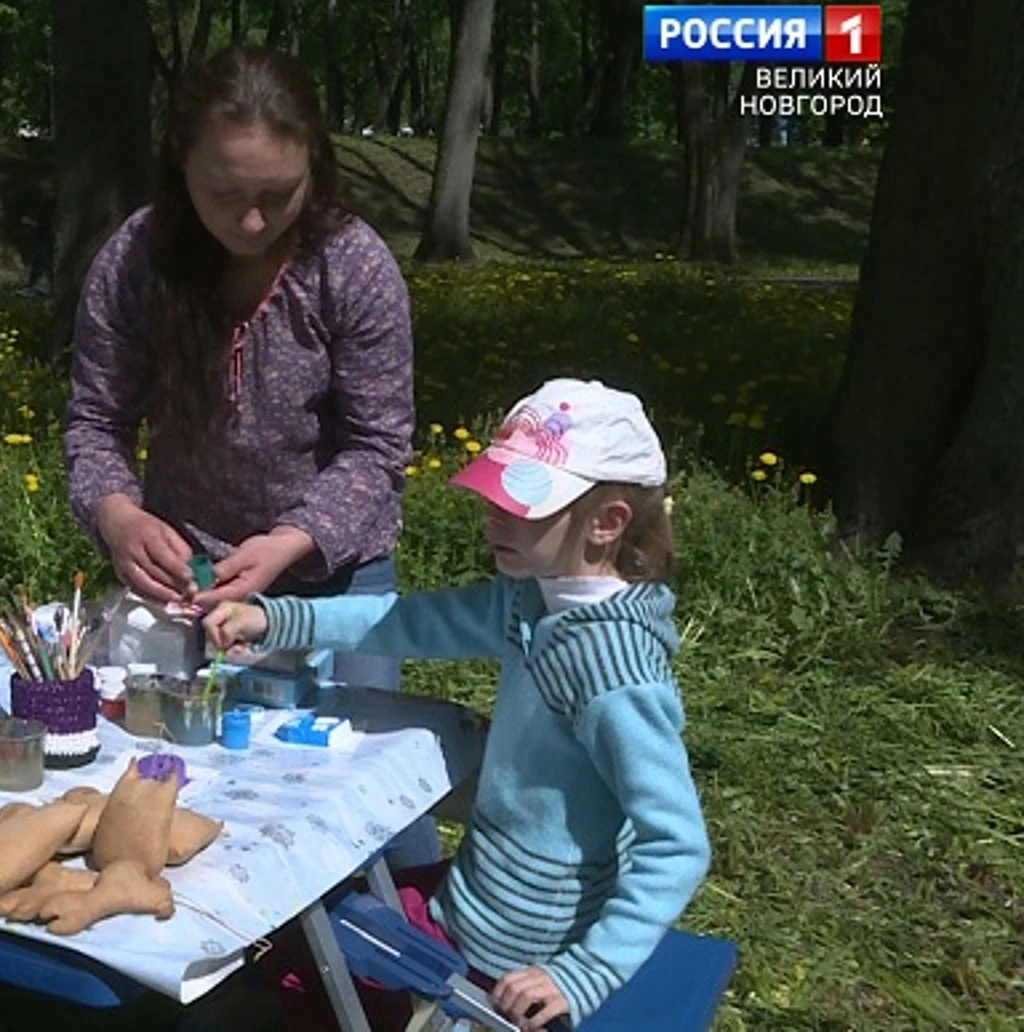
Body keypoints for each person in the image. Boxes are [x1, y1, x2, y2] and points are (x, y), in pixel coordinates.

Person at [204, 379, 711, 1032]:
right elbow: (404, 621)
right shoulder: (532, 599)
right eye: (495, 497)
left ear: (607, 523)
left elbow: (678, 844)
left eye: (522, 504)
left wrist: (582, 976)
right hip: (474, 896)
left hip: (518, 955)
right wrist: (277, 621)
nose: (493, 518)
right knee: (304, 930)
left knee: (301, 960)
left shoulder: (615, 671)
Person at [60, 46, 434, 865]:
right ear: (179, 168)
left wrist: (291, 541)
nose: (254, 222)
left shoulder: (351, 265)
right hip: (187, 584)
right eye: (225, 194)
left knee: (368, 796)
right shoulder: (135, 261)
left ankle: (400, 943)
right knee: (197, 786)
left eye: (279, 196)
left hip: (335, 581)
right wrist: (119, 516)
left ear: (317, 170)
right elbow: (94, 425)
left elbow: (379, 448)